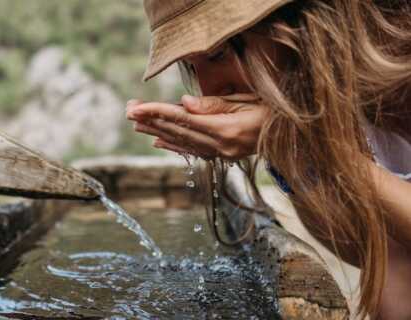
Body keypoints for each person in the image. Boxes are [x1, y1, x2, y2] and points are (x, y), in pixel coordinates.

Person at [126, 0, 411, 319]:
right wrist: (283, 147)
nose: (209, 88)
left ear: (290, 19)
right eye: (193, 67)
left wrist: (302, 144)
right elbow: (365, 247)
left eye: (218, 54)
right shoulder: (338, 85)